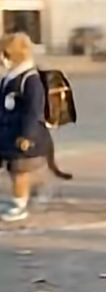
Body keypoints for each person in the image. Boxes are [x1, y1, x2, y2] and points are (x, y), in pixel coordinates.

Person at [0, 33, 49, 222]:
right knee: (13, 169)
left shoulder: (30, 79)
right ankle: (18, 198)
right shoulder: (8, 78)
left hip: (22, 134)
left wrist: (27, 135)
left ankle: (20, 204)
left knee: (20, 170)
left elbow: (33, 110)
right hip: (7, 132)